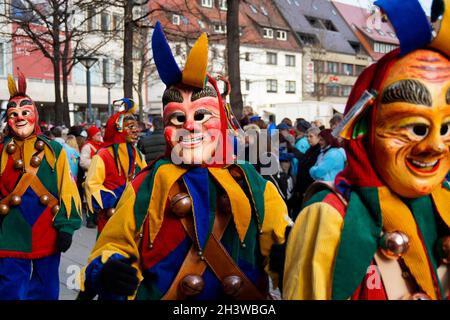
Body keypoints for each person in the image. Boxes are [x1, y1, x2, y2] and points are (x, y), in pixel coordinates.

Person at [79, 22, 290, 300]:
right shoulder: (148, 183)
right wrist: (108, 270)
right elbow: (115, 243)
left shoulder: (252, 182)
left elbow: (282, 238)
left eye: (201, 116)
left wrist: (288, 256)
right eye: (178, 118)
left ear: (222, 120)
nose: (189, 126)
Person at [283, 0, 450, 300]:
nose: (435, 146)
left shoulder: (446, 203)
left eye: (447, 127)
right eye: (415, 127)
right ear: (362, 129)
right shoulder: (329, 217)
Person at [0, 72, 81, 299]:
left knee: (46, 288)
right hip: (10, 231)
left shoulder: (54, 150)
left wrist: (67, 226)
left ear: (34, 114)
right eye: (13, 114)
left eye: (25, 112)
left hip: (47, 229)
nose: (19, 117)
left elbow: (68, 189)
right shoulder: (0, 151)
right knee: (9, 289)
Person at [84, 98, 147, 235]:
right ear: (118, 129)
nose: (136, 130)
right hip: (111, 217)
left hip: (134, 218)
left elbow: (145, 179)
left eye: (136, 126)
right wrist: (114, 200)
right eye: (130, 127)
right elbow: (92, 185)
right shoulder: (103, 155)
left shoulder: (138, 155)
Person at [292, 126, 321, 219]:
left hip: (309, 188)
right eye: (307, 136)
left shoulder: (319, 151)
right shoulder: (310, 149)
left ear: (318, 137)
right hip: (301, 188)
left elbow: (310, 169)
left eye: (311, 136)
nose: (308, 139)